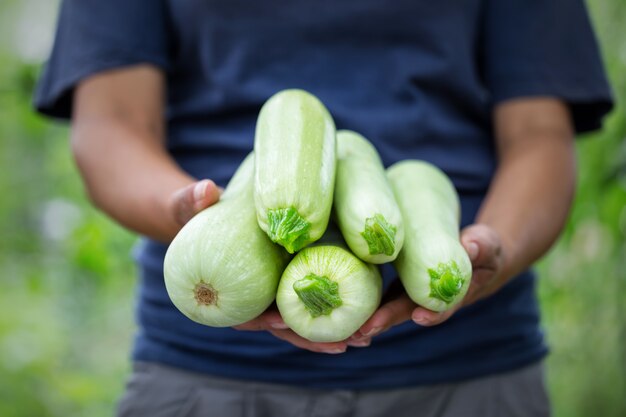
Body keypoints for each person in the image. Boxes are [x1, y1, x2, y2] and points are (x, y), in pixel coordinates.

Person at [35, 0, 613, 416]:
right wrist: (183, 209)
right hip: (205, 364)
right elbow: (110, 124)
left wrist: (498, 247)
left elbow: (540, 134)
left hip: (474, 363)